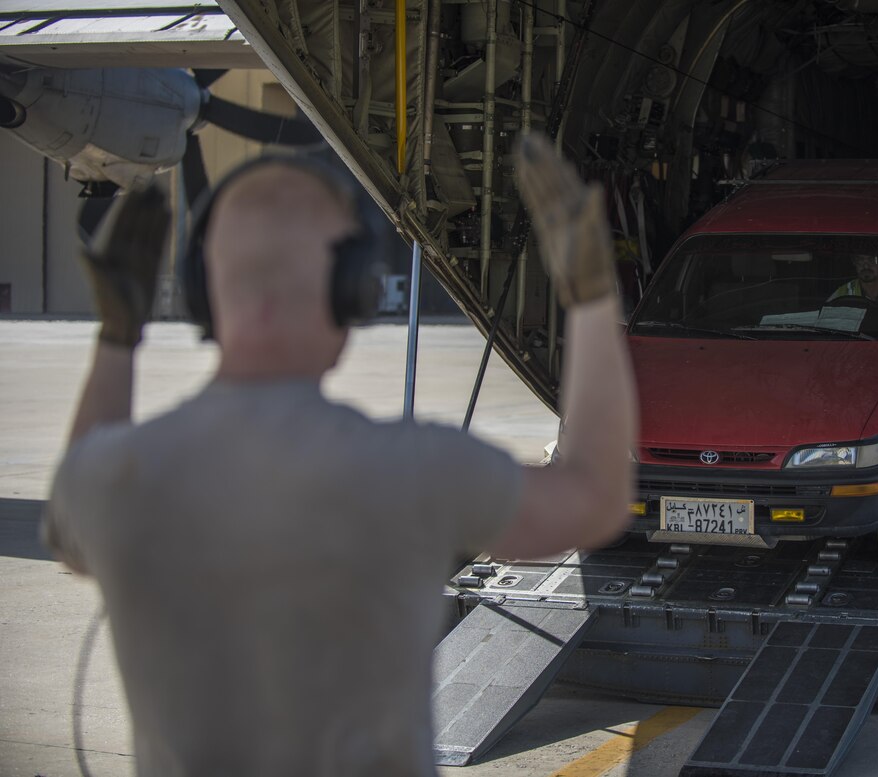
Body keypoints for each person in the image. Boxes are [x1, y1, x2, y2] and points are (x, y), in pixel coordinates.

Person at [42, 134, 636, 776]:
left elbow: (72, 529)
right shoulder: (415, 471)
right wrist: (592, 297)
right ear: (352, 289)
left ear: (202, 291)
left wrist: (118, 339)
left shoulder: (114, 478)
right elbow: (596, 502)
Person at [828, 253, 878, 318]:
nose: (866, 266)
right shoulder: (845, 291)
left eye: (872, 260)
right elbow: (825, 320)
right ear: (854, 262)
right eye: (860, 260)